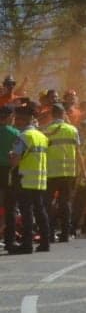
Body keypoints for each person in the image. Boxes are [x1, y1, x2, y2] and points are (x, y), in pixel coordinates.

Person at [9, 102, 50, 253]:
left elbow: (15, 160)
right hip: (39, 180)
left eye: (17, 119)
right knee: (40, 210)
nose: (15, 122)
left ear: (24, 120)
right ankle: (45, 242)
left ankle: (27, 244)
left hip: (25, 179)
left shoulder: (24, 136)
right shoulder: (41, 136)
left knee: (27, 212)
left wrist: (10, 158)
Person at [45, 103, 80, 242]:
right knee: (65, 204)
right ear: (63, 114)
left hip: (51, 173)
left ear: (52, 114)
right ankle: (66, 233)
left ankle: (50, 232)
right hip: (69, 173)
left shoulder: (47, 130)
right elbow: (78, 152)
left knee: (49, 203)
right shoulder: (73, 130)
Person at [1, 105, 20, 252]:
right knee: (10, 207)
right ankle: (10, 240)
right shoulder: (15, 133)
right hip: (9, 171)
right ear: (9, 117)